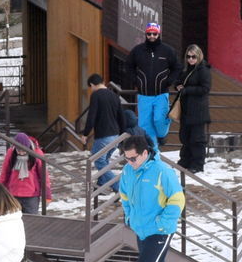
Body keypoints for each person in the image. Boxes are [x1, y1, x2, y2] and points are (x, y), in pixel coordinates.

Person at [118, 132, 185, 262]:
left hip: (160, 230)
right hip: (141, 229)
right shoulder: (128, 172)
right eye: (126, 158)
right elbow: (124, 196)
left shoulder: (162, 171)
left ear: (145, 153)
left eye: (133, 158)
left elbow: (177, 199)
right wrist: (129, 216)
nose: (130, 162)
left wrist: (163, 223)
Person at [126, 21, 181, 150]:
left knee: (159, 120)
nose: (151, 36)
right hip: (144, 95)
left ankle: (162, 135)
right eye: (149, 33)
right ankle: (153, 152)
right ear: (146, 34)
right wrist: (136, 80)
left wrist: (170, 81)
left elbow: (177, 67)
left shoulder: (168, 50)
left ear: (158, 34)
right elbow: (128, 65)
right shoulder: (137, 50)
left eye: (154, 34)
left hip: (161, 94)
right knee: (145, 126)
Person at [81, 74, 124, 192]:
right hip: (115, 134)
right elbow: (121, 115)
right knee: (104, 161)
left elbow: (91, 116)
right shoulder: (114, 95)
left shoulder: (96, 95)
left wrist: (85, 134)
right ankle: (101, 184)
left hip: (103, 135)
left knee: (99, 161)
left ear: (92, 85)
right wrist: (122, 135)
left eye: (91, 87)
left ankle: (119, 186)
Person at [175, 44, 212, 173]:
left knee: (197, 139)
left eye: (193, 57)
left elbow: (205, 88)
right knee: (185, 137)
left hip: (198, 111)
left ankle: (197, 164)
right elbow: (178, 81)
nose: (190, 59)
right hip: (186, 110)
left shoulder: (203, 70)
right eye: (188, 56)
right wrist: (178, 86)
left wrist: (187, 90)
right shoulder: (186, 69)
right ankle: (185, 161)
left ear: (199, 56)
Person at [0, 131, 52, 213]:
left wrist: (47, 194)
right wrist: (1, 189)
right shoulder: (11, 152)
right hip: (13, 192)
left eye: (23, 150)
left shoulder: (37, 153)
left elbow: (44, 175)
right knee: (13, 219)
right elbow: (5, 172)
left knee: (31, 219)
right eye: (18, 150)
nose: (21, 153)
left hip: (31, 194)